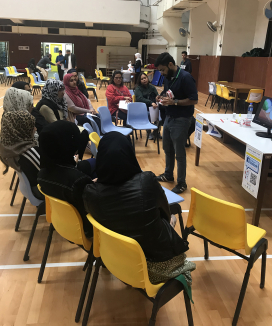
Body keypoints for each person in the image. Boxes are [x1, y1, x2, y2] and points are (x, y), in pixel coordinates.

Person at [84, 132, 195, 285]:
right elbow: (165, 213)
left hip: (115, 260)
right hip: (157, 268)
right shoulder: (146, 181)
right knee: (172, 217)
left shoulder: (91, 192)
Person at [38, 121, 96, 238]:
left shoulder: (41, 174)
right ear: (67, 144)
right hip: (86, 229)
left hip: (62, 224)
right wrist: (95, 184)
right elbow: (94, 205)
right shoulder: (78, 181)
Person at [155, 53, 198, 194]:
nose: (161, 73)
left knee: (179, 153)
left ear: (170, 65)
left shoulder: (185, 77)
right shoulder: (168, 77)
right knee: (167, 148)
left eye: (162, 70)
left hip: (182, 119)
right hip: (169, 117)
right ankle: (168, 174)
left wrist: (175, 102)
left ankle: (181, 182)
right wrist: (161, 97)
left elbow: (194, 100)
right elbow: (169, 93)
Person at [0, 110, 44, 200]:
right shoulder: (28, 152)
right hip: (41, 191)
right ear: (22, 129)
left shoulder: (11, 148)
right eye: (32, 126)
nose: (35, 129)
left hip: (32, 187)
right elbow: (50, 171)